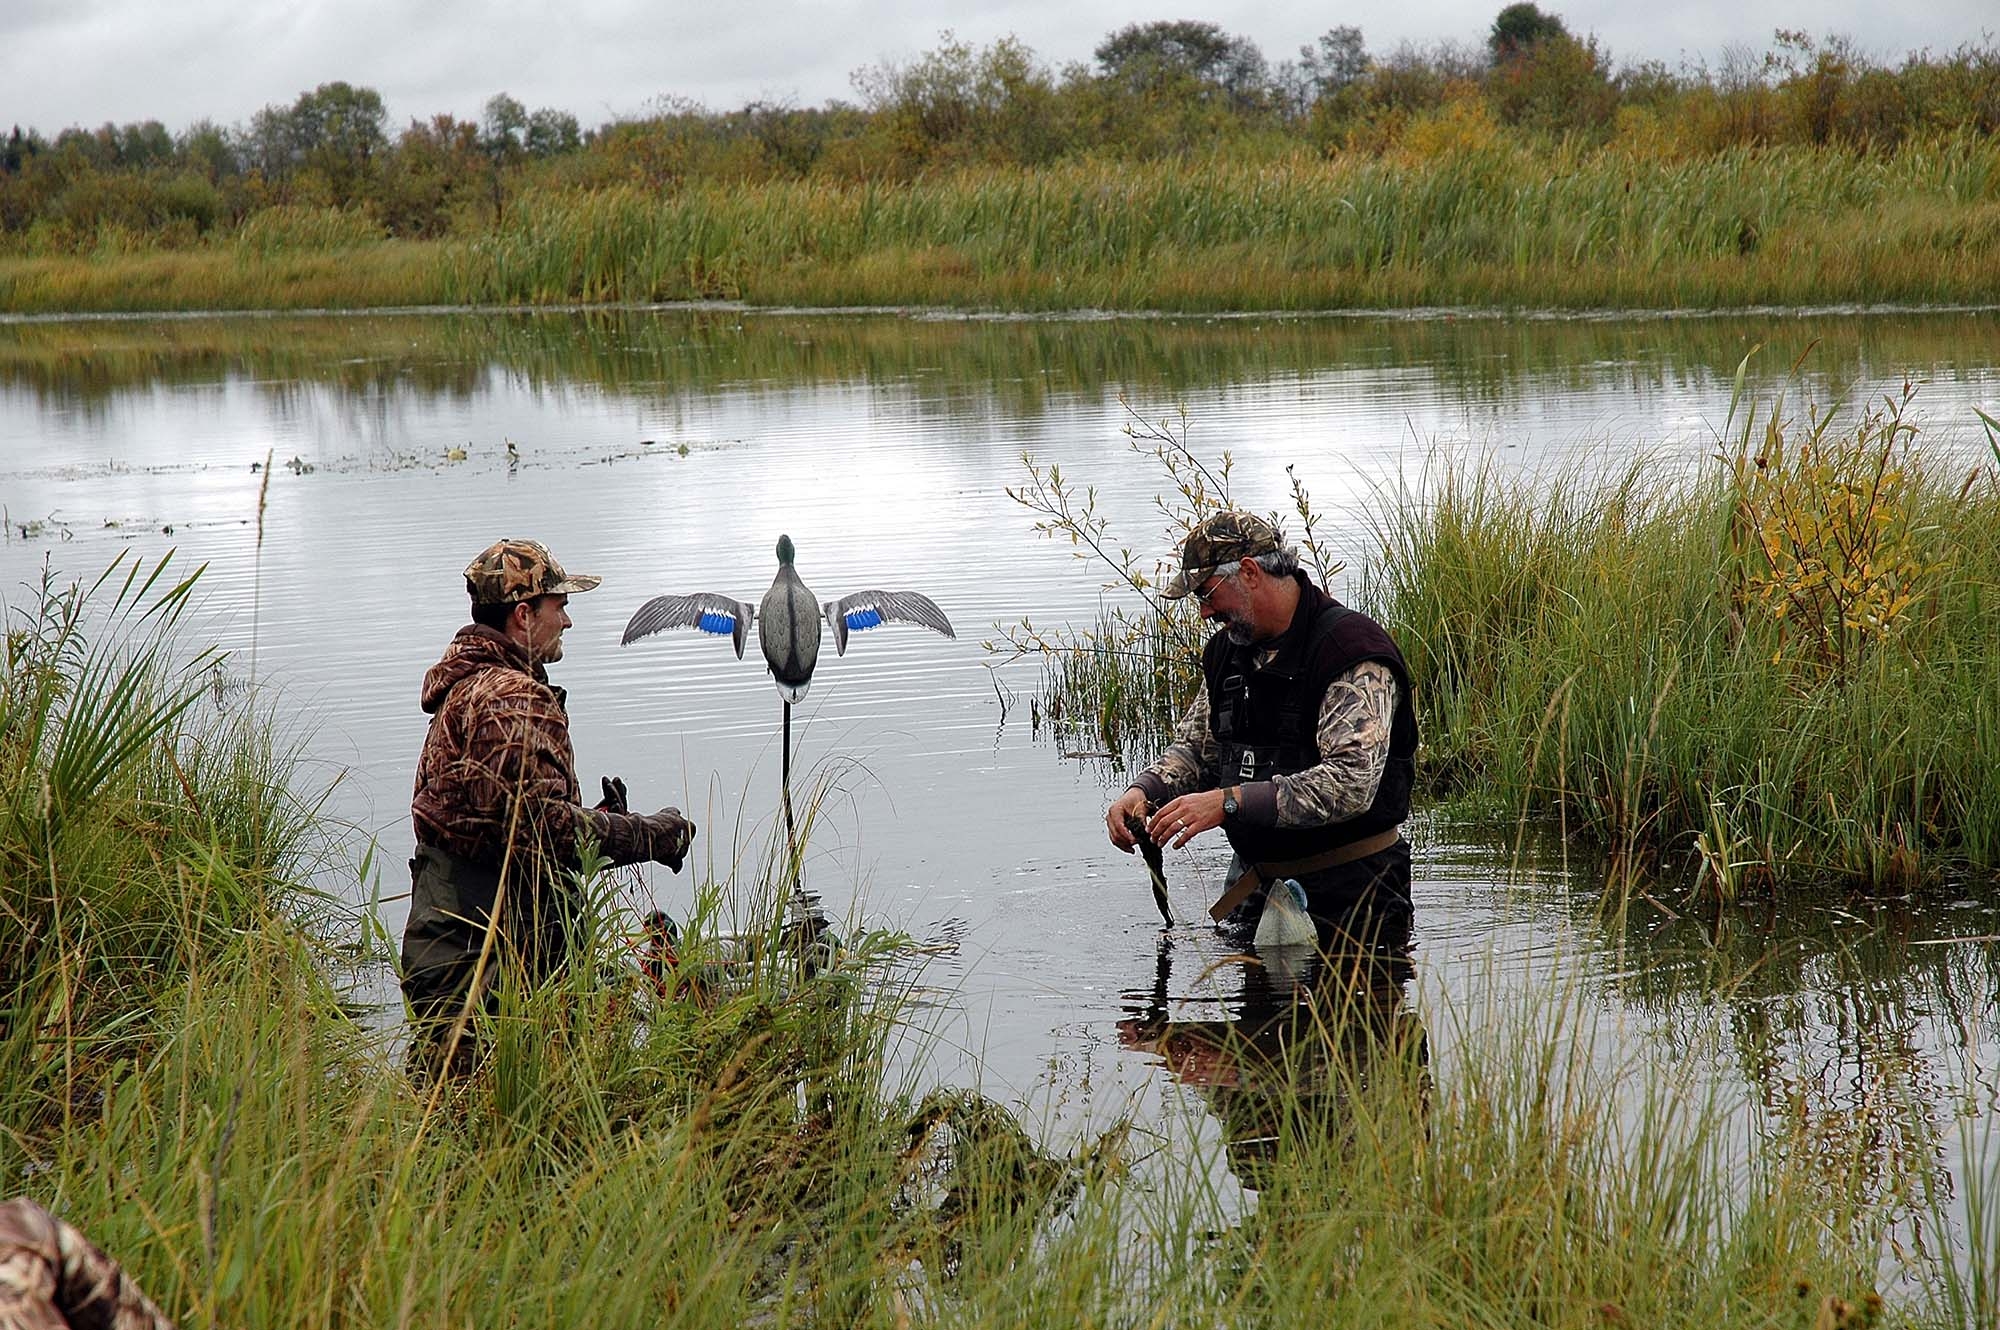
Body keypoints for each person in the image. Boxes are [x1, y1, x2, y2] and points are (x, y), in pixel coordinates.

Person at [402, 537, 695, 1074]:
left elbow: (498, 821)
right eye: (558, 606)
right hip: (485, 962)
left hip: (451, 945)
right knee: (499, 1123)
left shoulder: (468, 690)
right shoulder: (511, 696)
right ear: (523, 615)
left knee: (449, 1123)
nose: (566, 621)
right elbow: (543, 829)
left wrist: (597, 817)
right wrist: (650, 834)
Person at [1104, 511, 1417, 946]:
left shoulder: (1350, 652)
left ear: (1249, 572)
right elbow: (1196, 752)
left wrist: (1229, 803)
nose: (1204, 611)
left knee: (1355, 1016)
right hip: (1257, 895)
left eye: (1208, 594)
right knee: (1249, 1018)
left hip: (1357, 900)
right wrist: (1142, 791)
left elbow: (1351, 783)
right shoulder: (1228, 654)